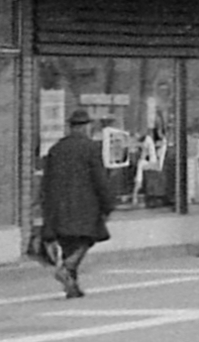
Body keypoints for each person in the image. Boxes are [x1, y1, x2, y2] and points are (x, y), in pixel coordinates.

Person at [41, 108, 115, 298]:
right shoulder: (90, 148)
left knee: (68, 244)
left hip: (59, 206)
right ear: (85, 127)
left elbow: (46, 182)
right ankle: (67, 268)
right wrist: (108, 204)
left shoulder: (56, 149)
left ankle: (72, 286)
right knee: (86, 239)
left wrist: (46, 208)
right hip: (85, 205)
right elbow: (100, 179)